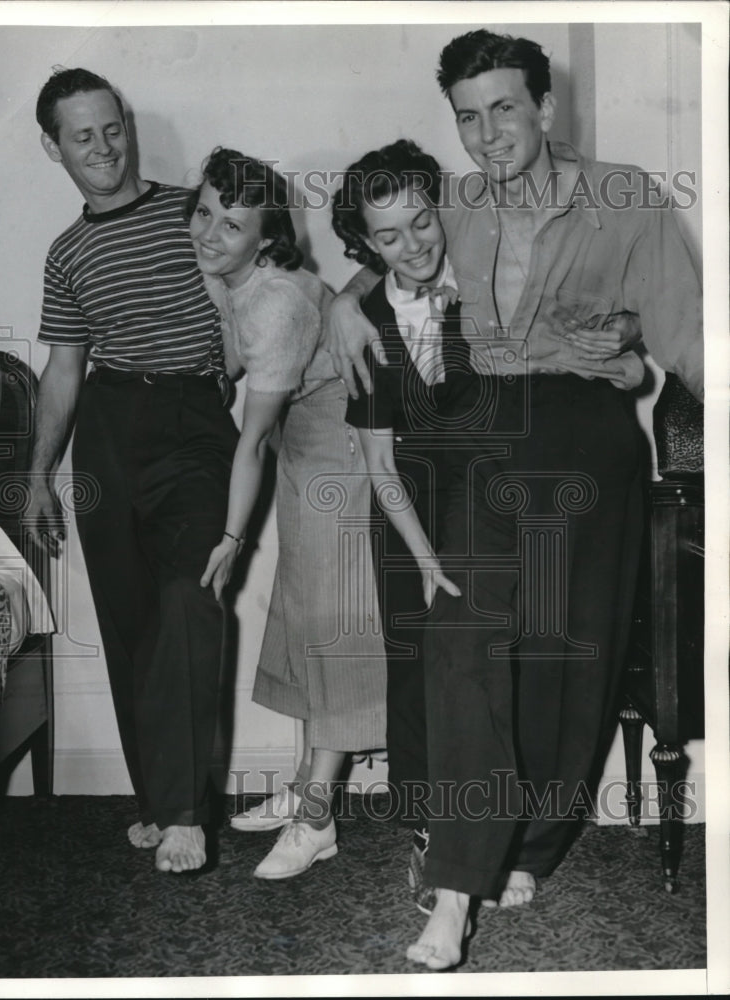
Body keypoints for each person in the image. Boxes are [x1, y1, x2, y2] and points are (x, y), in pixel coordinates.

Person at [329, 30, 703, 969]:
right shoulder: (450, 202)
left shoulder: (626, 197)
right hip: (476, 438)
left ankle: (524, 844)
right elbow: (390, 251)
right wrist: (345, 295)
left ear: (545, 105)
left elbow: (689, 341)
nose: (487, 133)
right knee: (465, 641)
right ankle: (457, 882)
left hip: (582, 440)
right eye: (466, 116)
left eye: (503, 107)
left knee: (562, 656)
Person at [28, 68, 238, 873]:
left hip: (191, 424)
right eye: (82, 135)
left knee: (192, 595)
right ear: (54, 147)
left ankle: (186, 811)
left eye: (111, 128)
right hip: (111, 426)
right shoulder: (67, 254)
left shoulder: (194, 211)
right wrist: (41, 471)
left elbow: (265, 276)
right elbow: (64, 368)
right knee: (130, 621)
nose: (103, 147)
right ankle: (157, 799)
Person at [189, 147, 387, 879]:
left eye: (231, 225)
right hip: (308, 452)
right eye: (204, 212)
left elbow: (250, 439)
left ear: (264, 236)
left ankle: (316, 818)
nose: (210, 233)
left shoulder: (274, 301)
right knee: (307, 624)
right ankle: (307, 786)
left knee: (333, 636)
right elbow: (234, 364)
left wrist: (232, 537)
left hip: (343, 458)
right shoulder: (245, 279)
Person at [331, 139, 463, 913]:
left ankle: (496, 836)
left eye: (421, 222)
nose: (412, 245)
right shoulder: (366, 319)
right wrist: (420, 558)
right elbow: (379, 467)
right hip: (406, 513)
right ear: (365, 244)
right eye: (388, 236)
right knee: (414, 673)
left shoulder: (484, 278)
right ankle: (424, 835)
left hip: (491, 498)